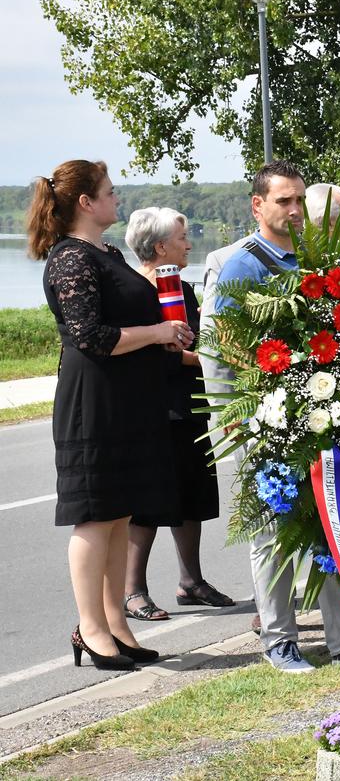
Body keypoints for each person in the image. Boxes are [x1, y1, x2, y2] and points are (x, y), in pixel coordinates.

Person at [28, 160, 189, 671]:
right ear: (85, 203)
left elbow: (129, 317)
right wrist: (159, 334)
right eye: (110, 192)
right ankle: (90, 628)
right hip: (91, 402)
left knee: (119, 515)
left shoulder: (107, 252)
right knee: (95, 515)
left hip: (127, 401)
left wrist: (170, 329)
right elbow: (92, 338)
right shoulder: (70, 258)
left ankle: (116, 623)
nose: (117, 199)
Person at [206, 161, 340, 672]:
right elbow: (222, 347)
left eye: (299, 200)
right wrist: (233, 414)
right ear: (258, 206)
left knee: (331, 523)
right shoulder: (244, 265)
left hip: (323, 415)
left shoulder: (315, 260)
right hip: (266, 421)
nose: (295, 210)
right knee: (273, 532)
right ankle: (279, 639)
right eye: (283, 201)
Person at [121, 207, 234, 622]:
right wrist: (199, 359)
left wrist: (206, 350)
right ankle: (133, 591)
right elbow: (154, 353)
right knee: (150, 501)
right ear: (160, 245)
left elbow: (196, 339)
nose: (189, 244)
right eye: (182, 237)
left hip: (188, 403)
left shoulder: (183, 288)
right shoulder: (132, 290)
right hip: (151, 406)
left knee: (193, 493)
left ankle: (191, 581)